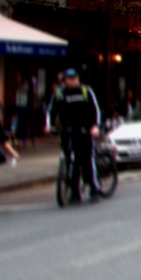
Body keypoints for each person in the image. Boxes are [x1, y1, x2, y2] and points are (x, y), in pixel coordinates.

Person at [45, 69, 104, 198]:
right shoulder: (59, 94)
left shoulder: (85, 91)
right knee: (70, 161)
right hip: (67, 131)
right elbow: (51, 110)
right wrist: (49, 126)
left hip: (84, 131)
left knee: (87, 159)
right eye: (70, 79)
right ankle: (74, 190)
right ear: (64, 81)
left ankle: (93, 186)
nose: (73, 81)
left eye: (75, 78)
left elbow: (95, 109)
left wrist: (95, 126)